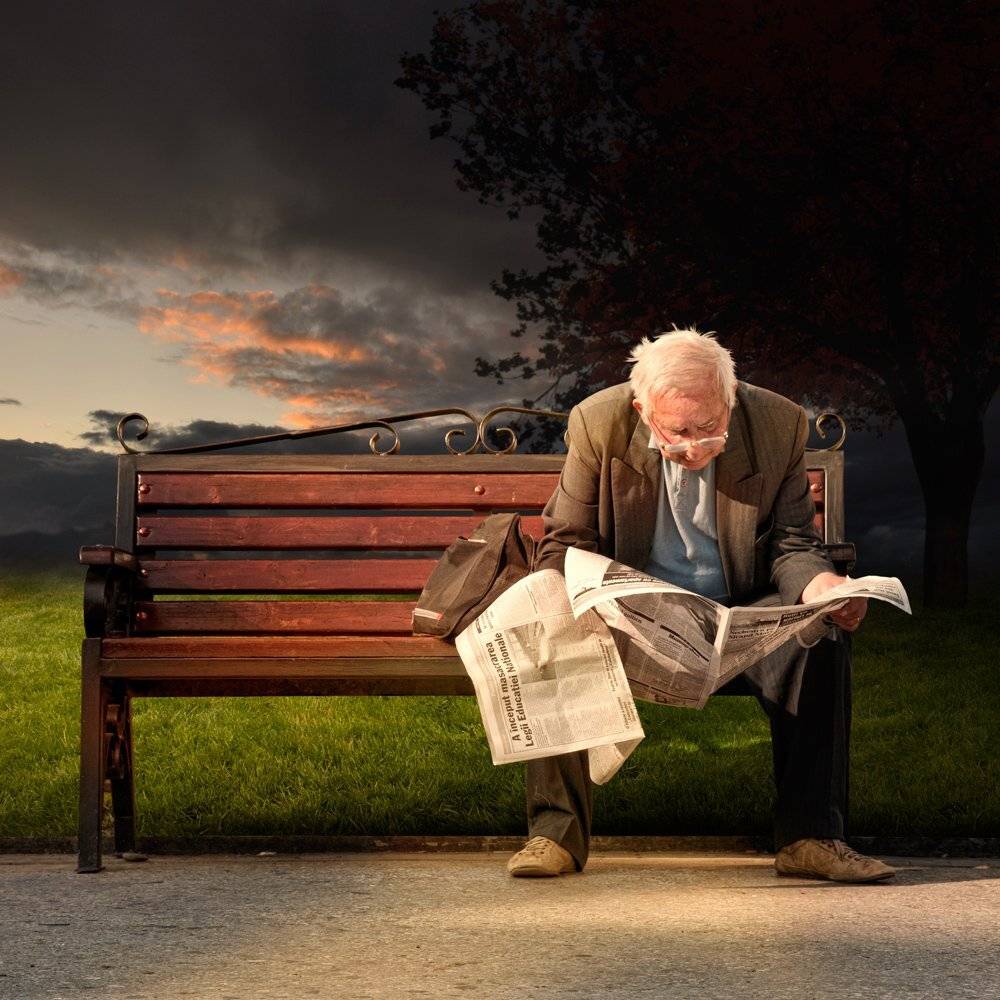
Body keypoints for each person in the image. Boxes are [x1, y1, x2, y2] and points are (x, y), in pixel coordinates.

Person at [506, 329, 895, 883]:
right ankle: (554, 836)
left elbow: (791, 543)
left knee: (820, 638)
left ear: (730, 399)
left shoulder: (778, 424)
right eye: (678, 431)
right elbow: (567, 541)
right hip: (633, 607)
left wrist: (823, 588)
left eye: (711, 427)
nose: (694, 445)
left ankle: (810, 838)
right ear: (643, 411)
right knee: (552, 626)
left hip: (740, 606)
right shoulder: (598, 422)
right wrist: (556, 597)